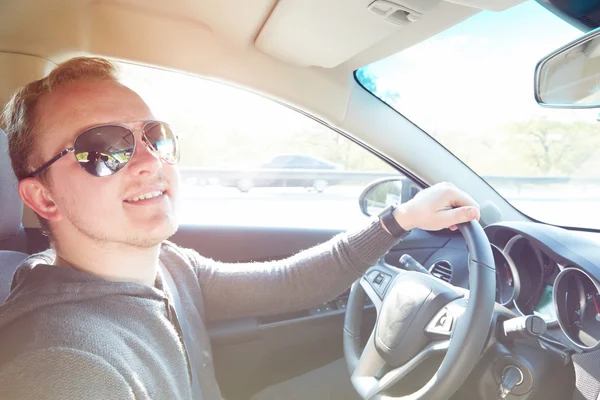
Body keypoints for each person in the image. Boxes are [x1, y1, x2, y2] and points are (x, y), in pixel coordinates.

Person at [0, 57, 480, 400]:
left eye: (154, 136)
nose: (149, 160)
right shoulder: (64, 365)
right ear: (43, 197)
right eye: (104, 148)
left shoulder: (168, 265)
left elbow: (289, 282)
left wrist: (400, 220)